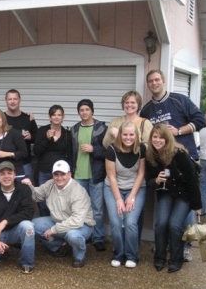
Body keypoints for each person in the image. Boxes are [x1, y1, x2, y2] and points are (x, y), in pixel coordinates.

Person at [140, 69, 206, 262]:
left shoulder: (179, 100)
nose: (154, 83)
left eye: (157, 80)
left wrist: (178, 131)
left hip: (185, 158)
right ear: (148, 84)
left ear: (164, 81)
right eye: (151, 81)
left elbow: (200, 120)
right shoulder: (146, 110)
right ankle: (165, 244)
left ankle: (186, 246)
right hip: (164, 164)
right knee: (166, 198)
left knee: (185, 207)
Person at [145, 124, 202, 273]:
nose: (157, 140)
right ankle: (159, 258)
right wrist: (155, 180)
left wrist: (197, 205)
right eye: (155, 137)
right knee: (161, 223)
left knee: (175, 224)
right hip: (166, 192)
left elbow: (192, 180)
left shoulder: (179, 153)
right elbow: (148, 180)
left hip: (184, 194)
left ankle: (176, 259)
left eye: (161, 137)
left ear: (167, 138)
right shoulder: (151, 155)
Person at [22, 160, 95, 268]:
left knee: (73, 235)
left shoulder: (78, 191)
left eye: (63, 174)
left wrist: (54, 230)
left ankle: (79, 255)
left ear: (69, 174)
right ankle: (59, 246)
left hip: (82, 225)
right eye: (56, 174)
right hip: (58, 220)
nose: (59, 178)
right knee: (31, 225)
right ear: (52, 175)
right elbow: (37, 196)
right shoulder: (50, 184)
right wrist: (29, 186)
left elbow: (77, 220)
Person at [0, 161, 35, 273]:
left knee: (28, 227)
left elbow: (28, 212)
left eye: (9, 173)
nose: (6, 176)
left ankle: (27, 262)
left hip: (16, 230)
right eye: (2, 174)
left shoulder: (24, 189)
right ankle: (2, 252)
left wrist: (6, 221)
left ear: (14, 175)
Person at [104, 122, 146, 268]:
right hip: (113, 188)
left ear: (136, 136)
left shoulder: (141, 149)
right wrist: (118, 200)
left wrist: (131, 197)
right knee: (116, 222)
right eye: (125, 134)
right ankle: (118, 254)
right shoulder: (111, 150)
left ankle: (131, 256)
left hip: (136, 188)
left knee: (130, 222)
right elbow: (112, 177)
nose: (128, 137)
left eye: (131, 134)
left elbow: (141, 174)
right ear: (120, 135)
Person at [71, 98, 107, 252]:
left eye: (87, 109)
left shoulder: (102, 128)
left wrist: (94, 149)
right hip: (78, 174)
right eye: (81, 110)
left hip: (96, 175)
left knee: (97, 209)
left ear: (92, 111)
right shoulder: (73, 129)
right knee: (79, 208)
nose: (84, 112)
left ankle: (98, 237)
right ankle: (83, 236)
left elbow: (108, 152)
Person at [33, 104, 73, 216]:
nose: (56, 117)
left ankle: (57, 227)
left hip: (60, 173)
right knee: (42, 200)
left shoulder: (67, 134)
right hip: (44, 171)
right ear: (49, 117)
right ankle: (45, 228)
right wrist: (47, 139)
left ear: (63, 117)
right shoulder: (42, 130)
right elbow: (36, 151)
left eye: (59, 115)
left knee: (60, 200)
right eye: (54, 115)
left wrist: (70, 172)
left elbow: (69, 155)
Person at [0, 107, 27, 186]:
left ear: (3, 119)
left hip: (16, 174)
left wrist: (7, 154)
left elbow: (24, 153)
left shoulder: (14, 133)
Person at [4, 89, 38, 179]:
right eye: (9, 99)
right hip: (5, 163)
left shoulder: (28, 118)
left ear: (20, 100)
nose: (12, 101)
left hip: (24, 163)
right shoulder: (1, 119)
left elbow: (37, 137)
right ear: (6, 101)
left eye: (15, 99)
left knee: (25, 191)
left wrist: (31, 137)